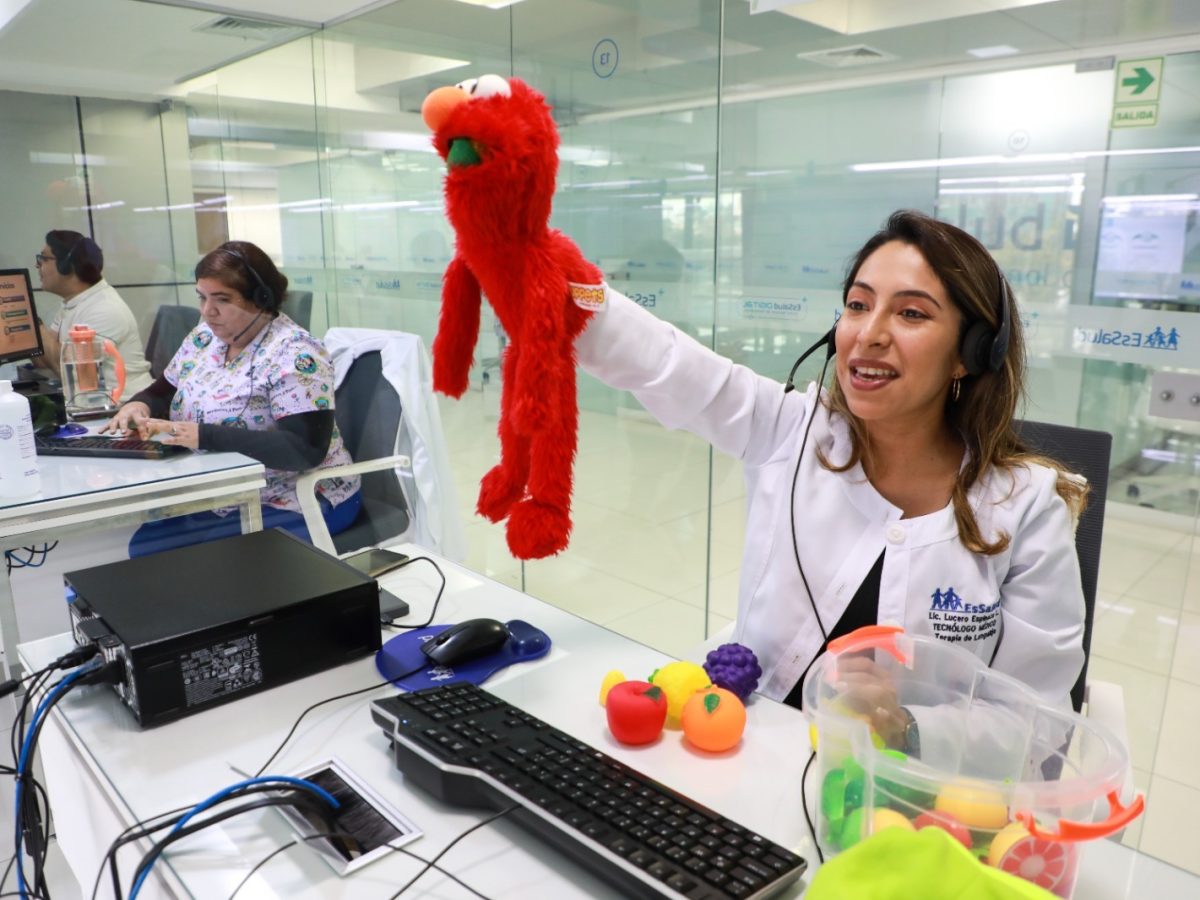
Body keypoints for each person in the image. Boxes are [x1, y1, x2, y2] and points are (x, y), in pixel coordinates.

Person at [574, 210, 1087, 749]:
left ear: (970, 353)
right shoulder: (790, 430)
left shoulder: (1028, 506)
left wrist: (905, 726)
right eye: (858, 305)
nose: (868, 334)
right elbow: (663, 362)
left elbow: (1036, 721)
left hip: (906, 792)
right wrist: (543, 276)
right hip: (748, 752)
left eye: (911, 313)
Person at [102, 241, 361, 557]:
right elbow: (162, 391)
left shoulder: (296, 354)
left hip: (299, 495)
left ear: (260, 300)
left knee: (205, 564)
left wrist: (201, 435)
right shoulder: (204, 337)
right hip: (225, 492)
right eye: (202, 297)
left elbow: (303, 450)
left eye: (222, 300)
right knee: (143, 549)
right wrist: (137, 406)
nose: (207, 311)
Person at [35, 230, 152, 399]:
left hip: (124, 407)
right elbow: (43, 361)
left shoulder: (104, 309)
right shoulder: (72, 303)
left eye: (44, 258)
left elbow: (70, 373)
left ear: (67, 264)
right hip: (91, 402)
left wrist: (31, 322)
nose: (38, 265)